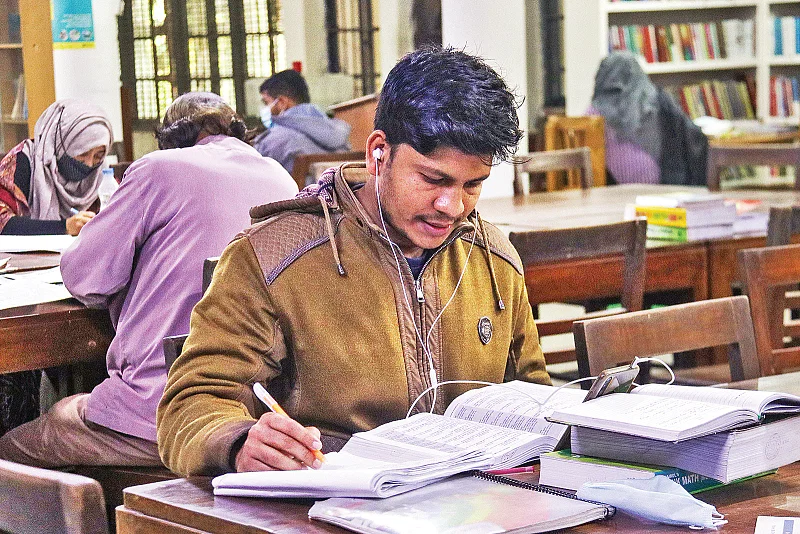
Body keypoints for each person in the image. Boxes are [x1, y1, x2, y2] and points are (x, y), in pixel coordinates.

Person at [157, 46, 551, 477]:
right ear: (378, 152)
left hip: (472, 505)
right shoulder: (273, 257)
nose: (452, 205)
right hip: (330, 504)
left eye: (473, 185)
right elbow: (191, 402)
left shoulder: (492, 256)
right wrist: (235, 442)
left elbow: (533, 396)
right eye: (432, 179)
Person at [0, 92, 298, 467]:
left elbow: (83, 276)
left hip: (167, 411)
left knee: (24, 442)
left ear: (170, 140)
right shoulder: (281, 177)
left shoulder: (160, 168)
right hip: (259, 412)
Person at [587, 51, 707, 186]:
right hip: (663, 189)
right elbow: (694, 139)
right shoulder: (661, 103)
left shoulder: (591, 114)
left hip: (610, 193)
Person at [0, 98, 113, 236]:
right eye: (82, 153)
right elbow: (2, 221)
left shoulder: (102, 174)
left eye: (98, 155)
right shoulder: (23, 162)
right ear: (61, 144)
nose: (89, 164)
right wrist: (64, 227)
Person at [253, 69, 351, 173]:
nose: (265, 108)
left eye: (266, 102)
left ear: (282, 102)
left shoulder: (271, 142)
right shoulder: (340, 137)